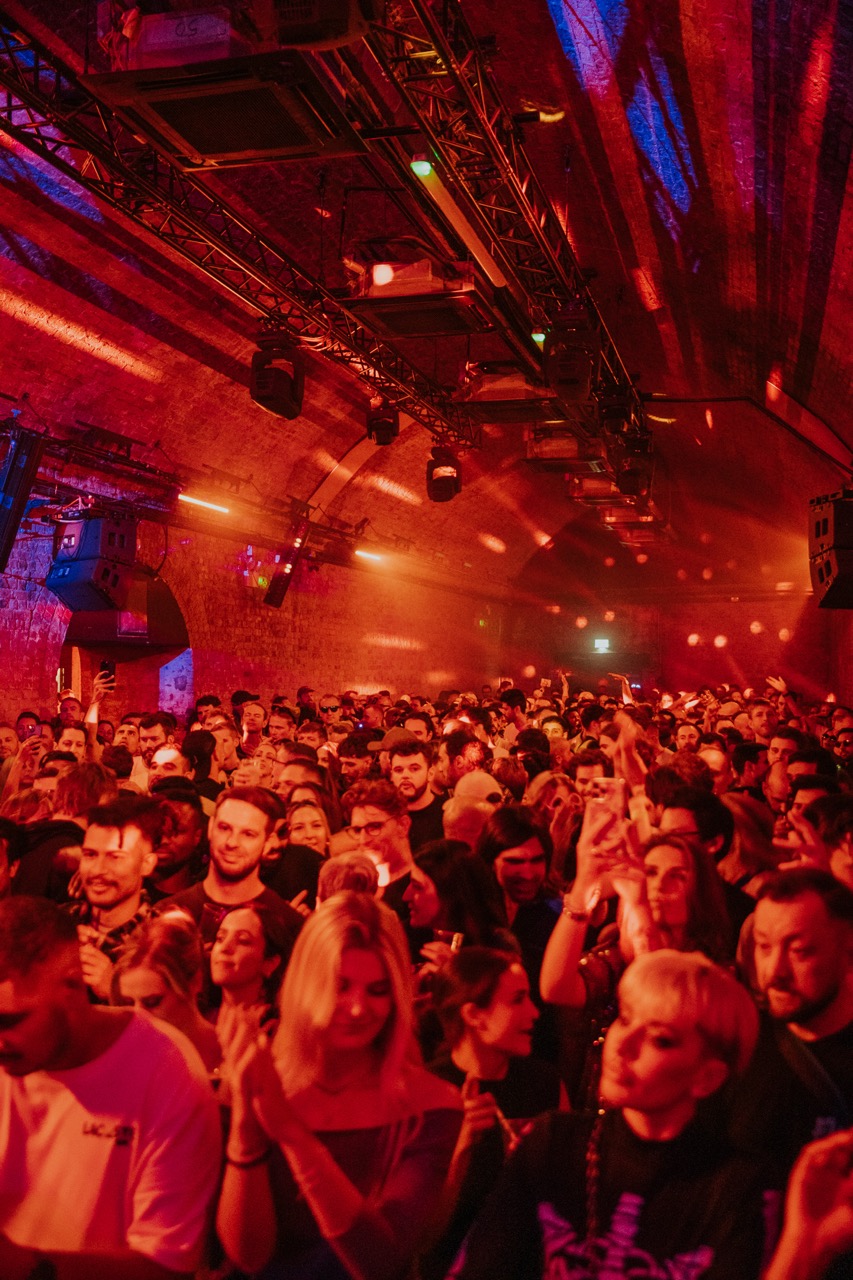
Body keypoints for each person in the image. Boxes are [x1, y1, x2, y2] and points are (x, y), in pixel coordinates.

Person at [455, 950, 768, 1280]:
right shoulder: (553, 1144)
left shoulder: (737, 1187)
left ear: (707, 1077)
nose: (622, 1044)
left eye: (660, 1039)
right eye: (625, 1017)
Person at [216, 892, 462, 1279]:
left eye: (378, 990)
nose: (359, 1007)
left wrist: (293, 1136)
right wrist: (246, 1122)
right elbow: (248, 1256)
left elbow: (379, 1261)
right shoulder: (256, 1078)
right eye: (340, 985)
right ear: (304, 986)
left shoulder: (430, 1104)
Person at [0, 896, 221, 1277]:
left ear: (72, 986)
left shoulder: (166, 1072)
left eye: (10, 1020)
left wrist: (29, 1267)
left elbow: (165, 1267)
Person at [161, 786, 304, 955]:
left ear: (267, 842)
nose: (232, 842)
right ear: (211, 827)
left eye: (248, 834)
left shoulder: (288, 926)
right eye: (224, 828)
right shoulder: (166, 915)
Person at [73, 796, 165, 1000]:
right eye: (90, 854)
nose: (98, 870)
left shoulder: (163, 943)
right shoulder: (58, 924)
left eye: (115, 857)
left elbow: (174, 1028)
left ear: (147, 864)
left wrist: (114, 992)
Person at [112, 911, 221, 1072]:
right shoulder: (121, 1061)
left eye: (152, 1002)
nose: (138, 1016)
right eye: (128, 1003)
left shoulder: (232, 1056)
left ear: (194, 983)